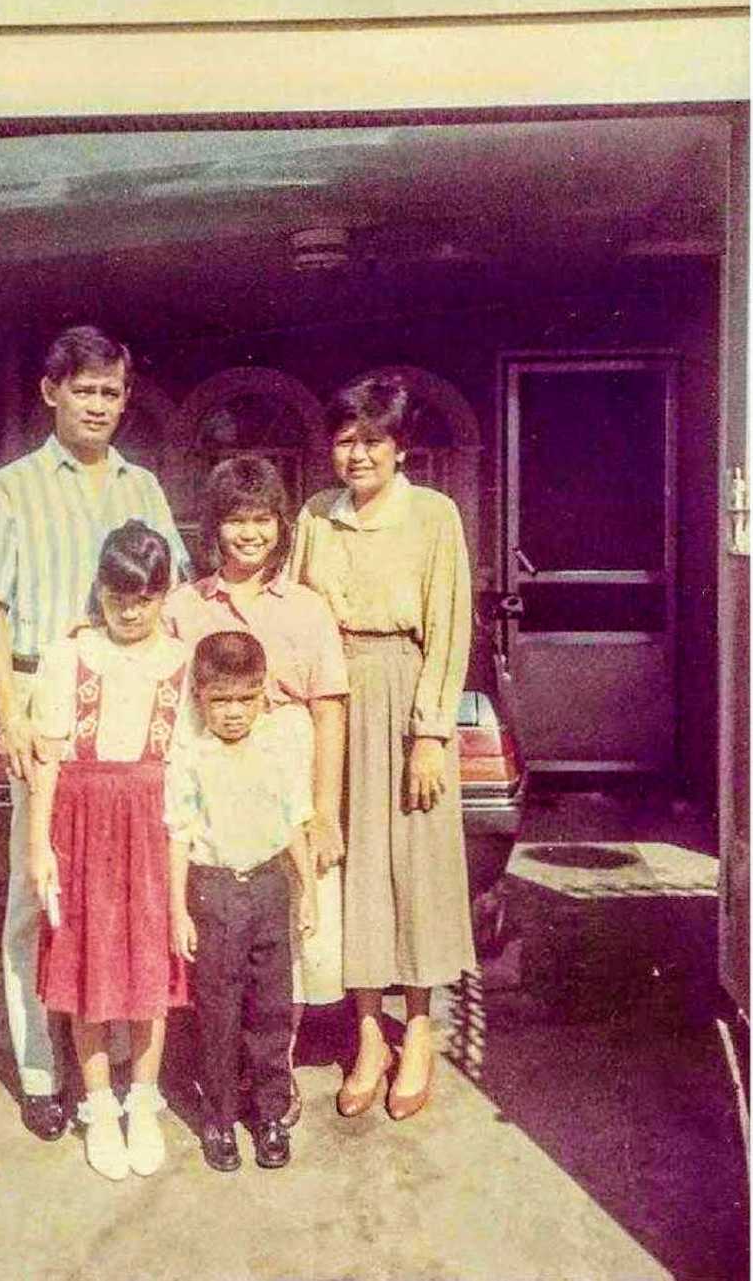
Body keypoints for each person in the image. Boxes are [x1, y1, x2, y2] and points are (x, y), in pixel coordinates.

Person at [0, 325, 189, 1142]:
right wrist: (9, 713)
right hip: (42, 693)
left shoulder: (143, 487)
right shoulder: (8, 489)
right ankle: (43, 1072)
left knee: (126, 889)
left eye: (112, 392)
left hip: (128, 695)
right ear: (51, 392)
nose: (99, 405)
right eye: (84, 389)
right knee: (41, 890)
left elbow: (173, 593)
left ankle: (123, 1072)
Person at [290, 371, 476, 1121]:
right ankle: (368, 1033)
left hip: (406, 694)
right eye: (344, 439)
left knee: (416, 866)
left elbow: (450, 624)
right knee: (354, 867)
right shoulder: (313, 515)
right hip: (334, 699)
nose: (356, 453)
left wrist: (430, 731)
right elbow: (298, 614)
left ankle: (421, 1029)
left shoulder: (434, 517)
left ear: (401, 447)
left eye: (372, 439)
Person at [162, 456, 348, 1128]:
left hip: (286, 778)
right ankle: (221, 1072)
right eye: (236, 519)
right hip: (212, 782)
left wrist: (323, 809)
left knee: (287, 940)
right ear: (214, 526)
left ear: (281, 525)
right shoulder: (185, 605)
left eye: (263, 518)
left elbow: (329, 709)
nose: (250, 533)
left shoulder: (304, 607)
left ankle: (275, 1073)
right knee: (217, 934)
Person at [27, 522, 187, 1181]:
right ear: (100, 589)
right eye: (118, 595)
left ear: (164, 594)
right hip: (80, 823)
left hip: (153, 823)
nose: (130, 610)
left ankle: (142, 1105)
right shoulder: (70, 654)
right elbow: (46, 758)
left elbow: (187, 767)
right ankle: (97, 1103)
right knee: (85, 966)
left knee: (150, 964)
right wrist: (39, 843)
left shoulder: (181, 657)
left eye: (144, 598)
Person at [166, 631, 317, 1173]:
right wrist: (177, 910)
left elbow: (295, 823)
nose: (233, 713)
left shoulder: (276, 751)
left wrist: (309, 894)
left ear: (262, 697)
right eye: (220, 700)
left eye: (244, 699)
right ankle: (220, 1118)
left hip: (271, 888)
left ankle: (271, 1113)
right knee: (219, 1011)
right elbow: (179, 836)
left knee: (272, 1010)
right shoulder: (190, 758)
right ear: (199, 699)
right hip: (214, 891)